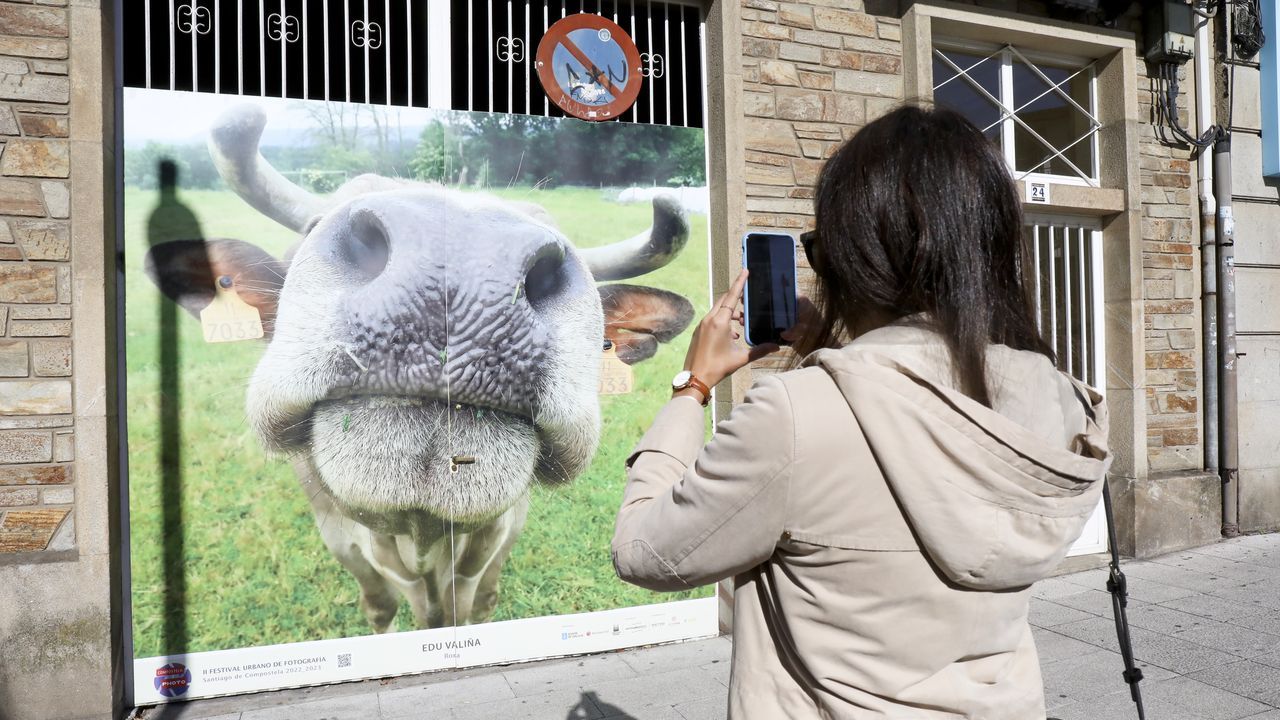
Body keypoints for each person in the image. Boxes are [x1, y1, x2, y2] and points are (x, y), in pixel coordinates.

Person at [611, 106, 1110, 719]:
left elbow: (644, 550)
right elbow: (929, 423)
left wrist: (693, 388)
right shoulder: (1060, 396)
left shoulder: (796, 416)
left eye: (820, 251)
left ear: (856, 259)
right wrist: (832, 350)